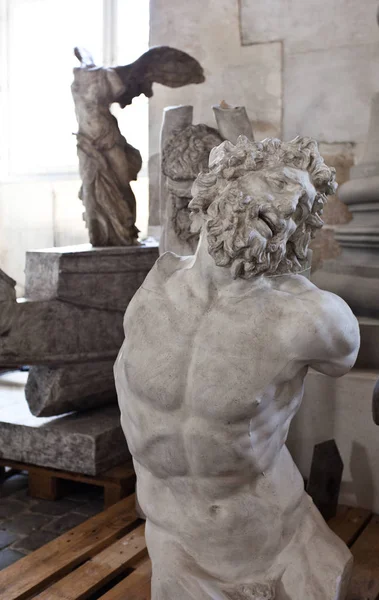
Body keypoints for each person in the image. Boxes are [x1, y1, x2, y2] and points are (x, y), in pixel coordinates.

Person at [115, 136, 360, 599]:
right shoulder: (150, 294)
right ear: (222, 184)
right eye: (278, 182)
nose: (287, 203)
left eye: (302, 204)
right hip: (175, 549)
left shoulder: (309, 319)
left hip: (279, 546)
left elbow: (344, 357)